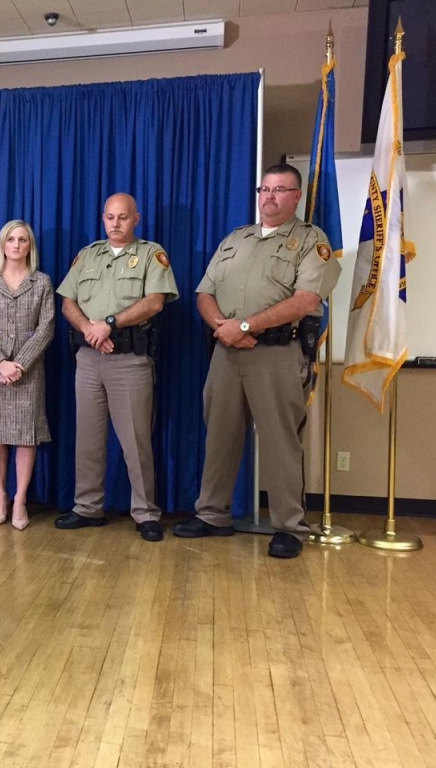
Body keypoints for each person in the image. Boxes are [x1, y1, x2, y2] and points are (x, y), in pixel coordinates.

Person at [173, 163, 340, 559]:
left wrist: (246, 324)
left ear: (296, 197)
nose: (269, 197)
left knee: (281, 442)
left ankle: (289, 526)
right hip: (227, 353)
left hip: (278, 354)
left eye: (280, 190)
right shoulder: (236, 239)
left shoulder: (311, 241)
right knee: (219, 435)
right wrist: (224, 327)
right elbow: (204, 292)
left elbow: (306, 300)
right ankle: (212, 514)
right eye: (264, 189)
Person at [55, 193, 178, 541]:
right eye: (109, 217)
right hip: (89, 358)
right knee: (88, 439)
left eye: (122, 217)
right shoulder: (87, 255)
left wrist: (109, 323)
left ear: (136, 219)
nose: (115, 224)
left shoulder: (152, 255)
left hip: (130, 360)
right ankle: (87, 508)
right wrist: (90, 331)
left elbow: (155, 302)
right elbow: (68, 303)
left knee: (136, 441)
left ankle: (145, 513)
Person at [0, 221, 55, 531]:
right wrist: (0, 363)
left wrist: (18, 364)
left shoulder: (42, 283)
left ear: (29, 246)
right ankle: (0, 496)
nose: (16, 245)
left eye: (22, 239)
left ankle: (20, 499)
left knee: (25, 435)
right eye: (11, 239)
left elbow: (46, 329)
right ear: (2, 245)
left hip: (27, 372)